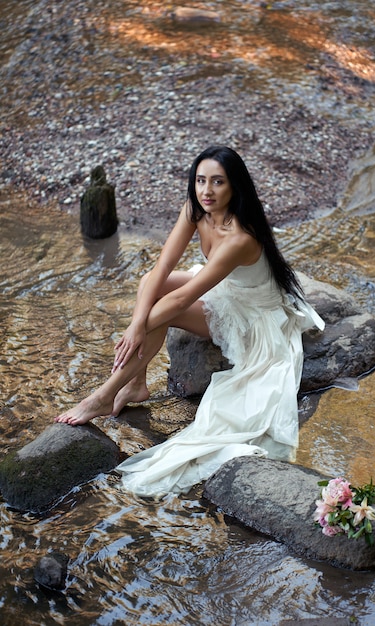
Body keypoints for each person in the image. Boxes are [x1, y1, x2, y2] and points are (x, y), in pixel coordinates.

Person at [55, 145, 324, 497]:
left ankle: (103, 395)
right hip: (224, 289)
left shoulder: (239, 238)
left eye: (217, 182)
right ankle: (135, 384)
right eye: (200, 181)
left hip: (253, 317)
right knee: (148, 285)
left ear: (235, 187)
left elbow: (181, 299)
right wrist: (137, 322)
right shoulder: (196, 210)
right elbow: (162, 267)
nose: (206, 191)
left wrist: (139, 326)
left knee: (167, 308)